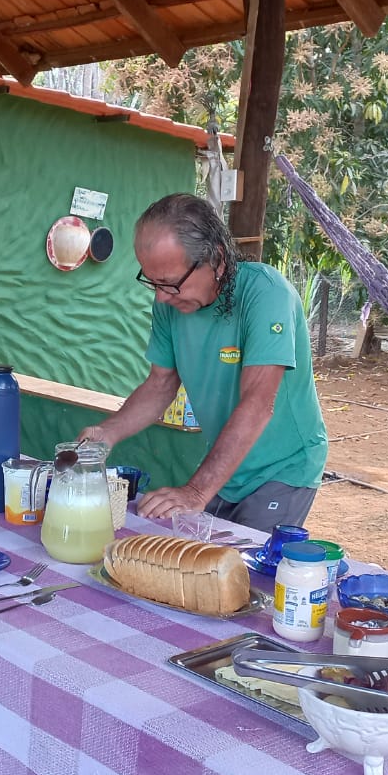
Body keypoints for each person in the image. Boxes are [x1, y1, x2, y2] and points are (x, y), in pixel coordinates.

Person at [78, 193, 328, 533]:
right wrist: (107, 433)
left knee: (245, 574)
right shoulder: (169, 303)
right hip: (228, 467)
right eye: (152, 281)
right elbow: (160, 384)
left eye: (170, 283)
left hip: (281, 468)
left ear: (218, 260)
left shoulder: (267, 293)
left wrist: (196, 491)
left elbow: (257, 403)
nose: (160, 296)